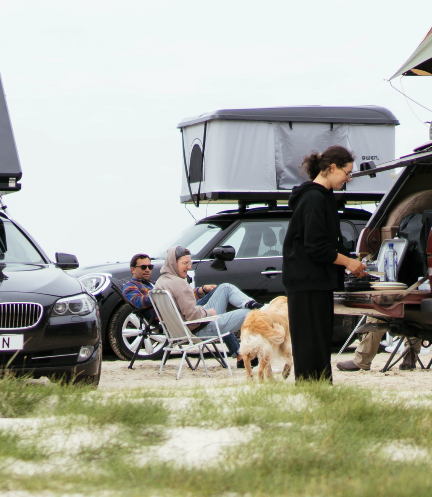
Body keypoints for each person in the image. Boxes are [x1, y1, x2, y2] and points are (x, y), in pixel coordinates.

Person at [282, 145, 369, 381]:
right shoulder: (312, 198)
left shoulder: (324, 197)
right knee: (311, 345)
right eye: (346, 173)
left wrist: (352, 260)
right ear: (332, 168)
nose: (348, 179)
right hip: (306, 281)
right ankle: (313, 392)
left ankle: (320, 392)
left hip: (316, 281)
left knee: (319, 344)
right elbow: (316, 246)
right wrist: (348, 263)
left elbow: (330, 242)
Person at [152, 245, 262, 353]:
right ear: (173, 263)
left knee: (225, 288)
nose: (189, 267)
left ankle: (251, 303)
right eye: (185, 263)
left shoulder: (160, 282)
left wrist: (202, 308)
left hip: (181, 329)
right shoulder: (180, 284)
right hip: (200, 329)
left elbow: (186, 311)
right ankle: (261, 309)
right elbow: (192, 315)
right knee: (252, 313)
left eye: (189, 263)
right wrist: (208, 312)